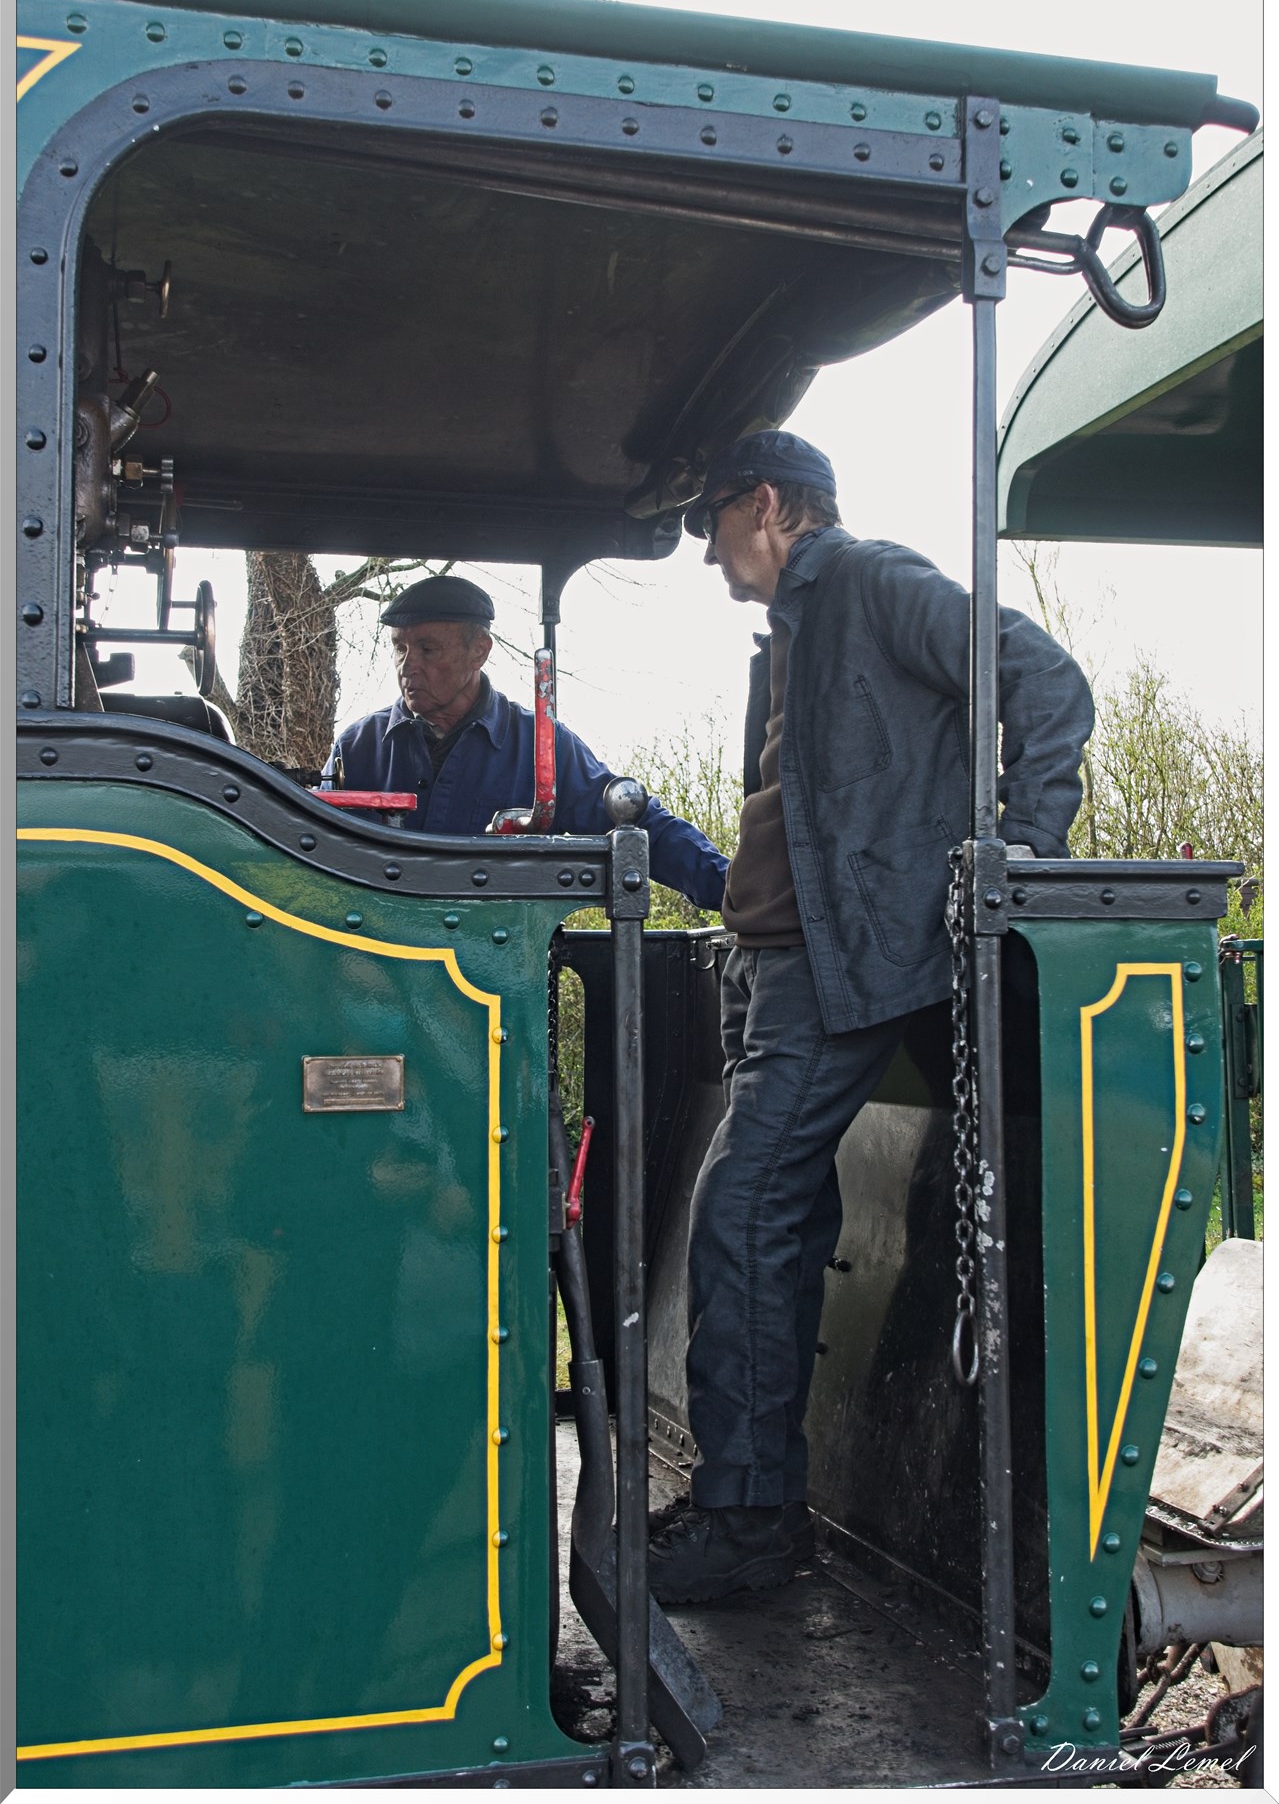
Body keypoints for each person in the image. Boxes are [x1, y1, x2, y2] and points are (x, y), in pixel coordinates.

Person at [648, 431, 1094, 1603]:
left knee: (742, 1208)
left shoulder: (868, 578)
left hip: (847, 961)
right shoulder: (792, 630)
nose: (707, 558)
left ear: (766, 504)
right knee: (778, 1218)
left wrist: (1025, 851)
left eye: (711, 527)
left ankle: (745, 1519)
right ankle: (759, 1500)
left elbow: (1043, 678)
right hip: (782, 963)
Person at [325, 574, 728, 911]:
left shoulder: (543, 748)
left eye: (427, 649)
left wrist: (734, 889)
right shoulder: (358, 748)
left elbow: (637, 824)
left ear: (479, 651)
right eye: (400, 648)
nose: (408, 665)